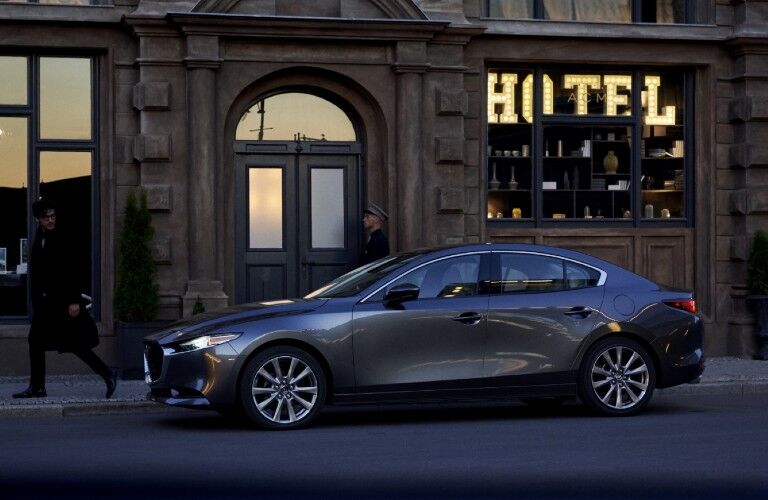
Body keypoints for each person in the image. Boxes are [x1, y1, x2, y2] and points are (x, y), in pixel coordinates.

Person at [12, 198, 117, 399]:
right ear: (38, 220)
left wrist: (74, 300)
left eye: (53, 216)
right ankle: (38, 387)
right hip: (45, 304)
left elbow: (73, 269)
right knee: (36, 341)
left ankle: (107, 373)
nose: (51, 220)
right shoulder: (39, 236)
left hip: (62, 302)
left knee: (75, 344)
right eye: (46, 217)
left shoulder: (62, 236)